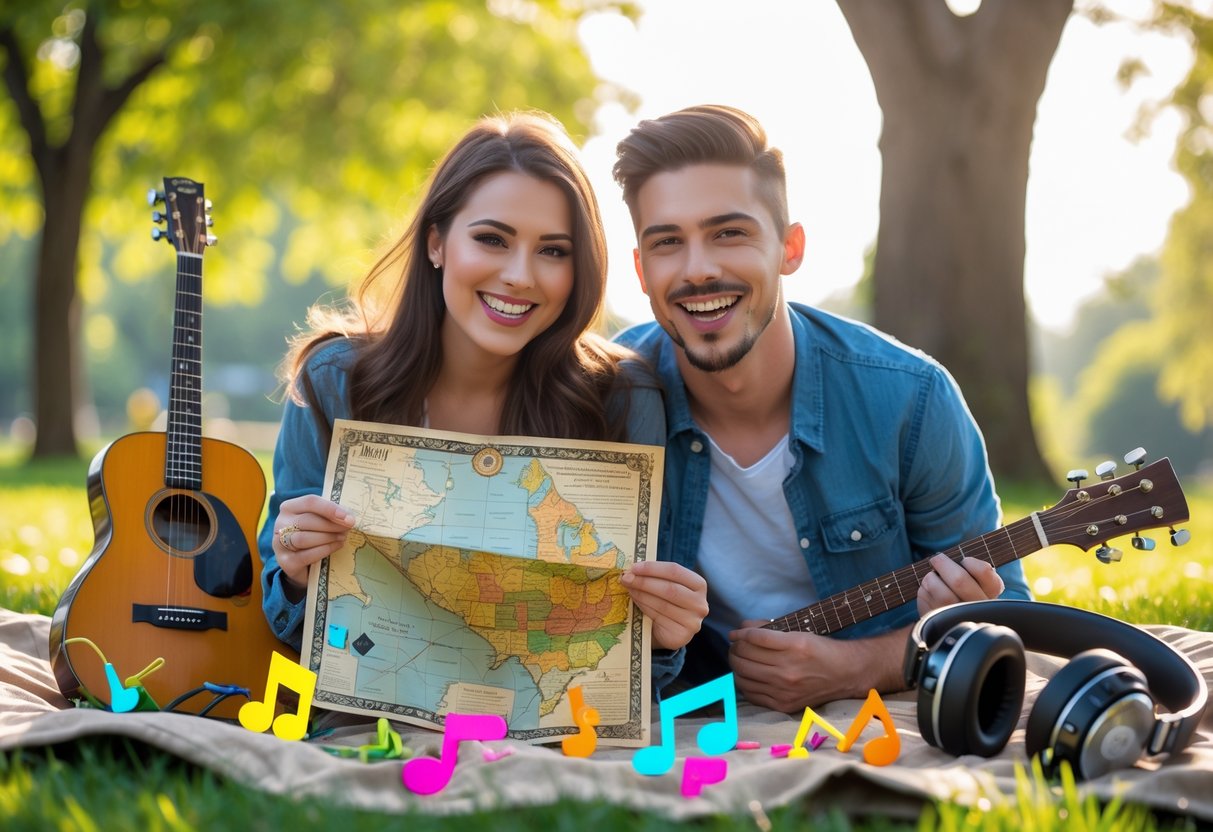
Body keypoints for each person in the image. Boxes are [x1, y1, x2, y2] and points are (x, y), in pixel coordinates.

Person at [258, 112, 708, 689]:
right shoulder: (335, 382)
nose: (519, 275)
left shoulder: (622, 399)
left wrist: (666, 633)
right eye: (492, 239)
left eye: (553, 251)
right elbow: (284, 621)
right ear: (437, 242)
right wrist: (296, 572)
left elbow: (637, 663)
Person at [611, 104, 1031, 712]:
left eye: (729, 233)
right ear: (641, 269)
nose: (698, 270)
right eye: (668, 243)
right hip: (687, 703)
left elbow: (1009, 612)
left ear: (790, 247)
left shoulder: (911, 401)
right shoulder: (606, 401)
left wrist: (863, 667)